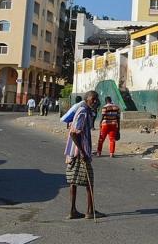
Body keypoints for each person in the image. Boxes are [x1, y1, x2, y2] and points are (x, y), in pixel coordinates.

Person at [64, 90, 105, 220]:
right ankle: (90, 211)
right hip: (79, 153)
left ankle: (73, 211)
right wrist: (82, 152)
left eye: (96, 99)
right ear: (87, 99)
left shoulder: (86, 111)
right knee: (89, 181)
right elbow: (74, 133)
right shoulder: (83, 111)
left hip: (73, 152)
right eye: (93, 99)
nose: (95, 101)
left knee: (73, 181)